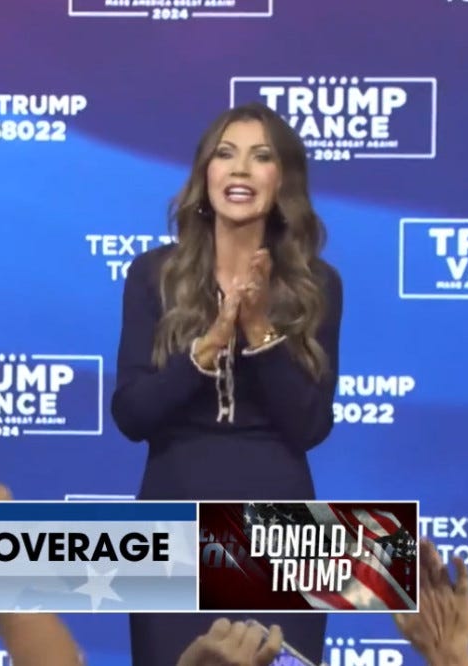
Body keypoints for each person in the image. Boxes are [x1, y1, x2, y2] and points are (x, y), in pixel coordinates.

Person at [110, 102, 344, 665]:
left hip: (285, 530)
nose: (239, 169)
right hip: (174, 519)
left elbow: (310, 425)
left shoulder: (317, 285)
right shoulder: (154, 274)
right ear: (204, 174)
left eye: (260, 157)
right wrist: (205, 350)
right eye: (225, 154)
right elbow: (132, 415)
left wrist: (260, 330)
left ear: (282, 180)